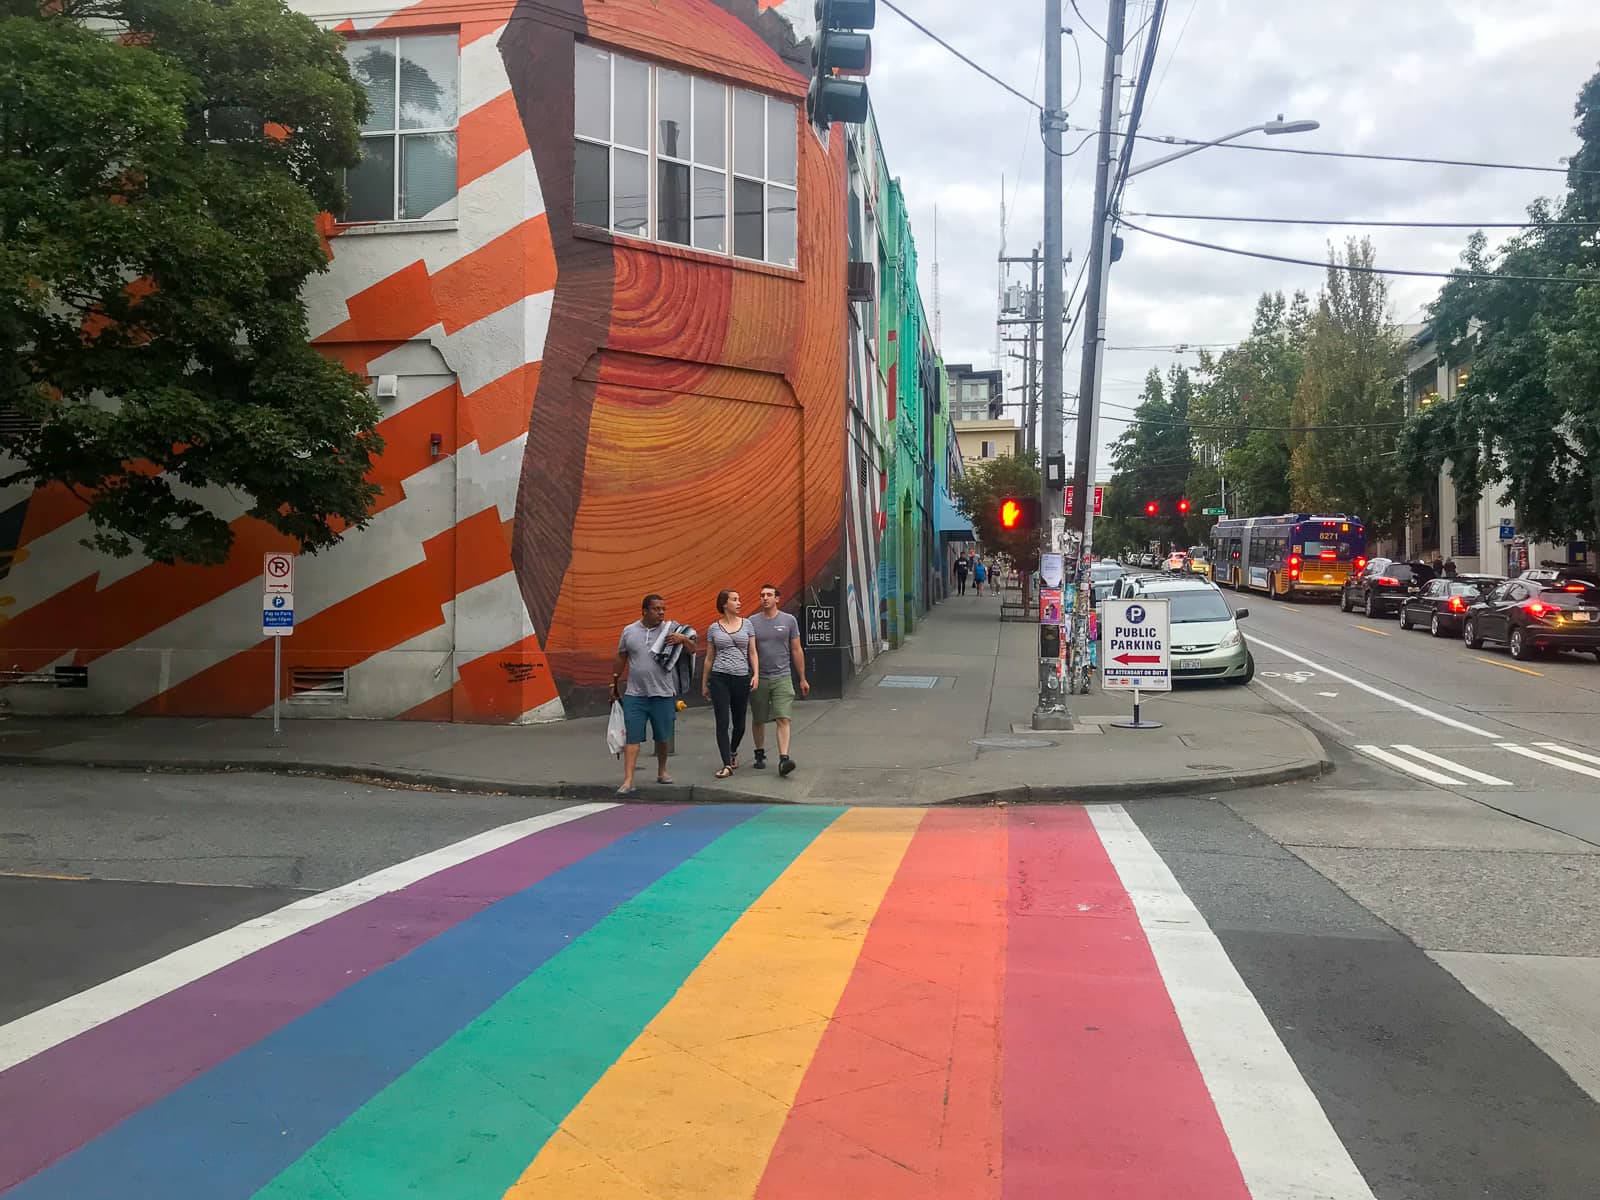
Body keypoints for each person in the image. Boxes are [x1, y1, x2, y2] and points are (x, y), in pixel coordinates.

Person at [610, 593, 696, 796]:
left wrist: (683, 639)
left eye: (663, 609)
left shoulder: (671, 631)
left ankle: (662, 770)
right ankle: (629, 780)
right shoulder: (629, 631)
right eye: (656, 609)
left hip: (663, 693)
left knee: (662, 736)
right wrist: (613, 683)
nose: (661, 613)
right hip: (635, 694)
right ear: (645, 611)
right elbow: (621, 657)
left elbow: (692, 650)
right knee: (633, 736)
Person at [749, 582, 809, 776]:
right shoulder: (752, 622)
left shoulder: (789, 620)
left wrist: (802, 678)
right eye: (762, 595)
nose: (764, 598)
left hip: (782, 676)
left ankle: (784, 758)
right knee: (759, 718)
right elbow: (749, 651)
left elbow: (796, 649)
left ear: (777, 599)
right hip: (760, 678)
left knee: (783, 717)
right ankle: (759, 752)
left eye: (768, 595)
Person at [701, 589, 757, 779]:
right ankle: (726, 764)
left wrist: (755, 674)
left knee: (739, 724)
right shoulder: (714, 628)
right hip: (719, 677)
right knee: (722, 722)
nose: (739, 602)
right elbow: (709, 657)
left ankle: (733, 751)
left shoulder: (747, 624)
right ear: (724, 604)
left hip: (741, 677)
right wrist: (704, 682)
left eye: (738, 599)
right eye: (734, 599)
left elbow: (753, 652)